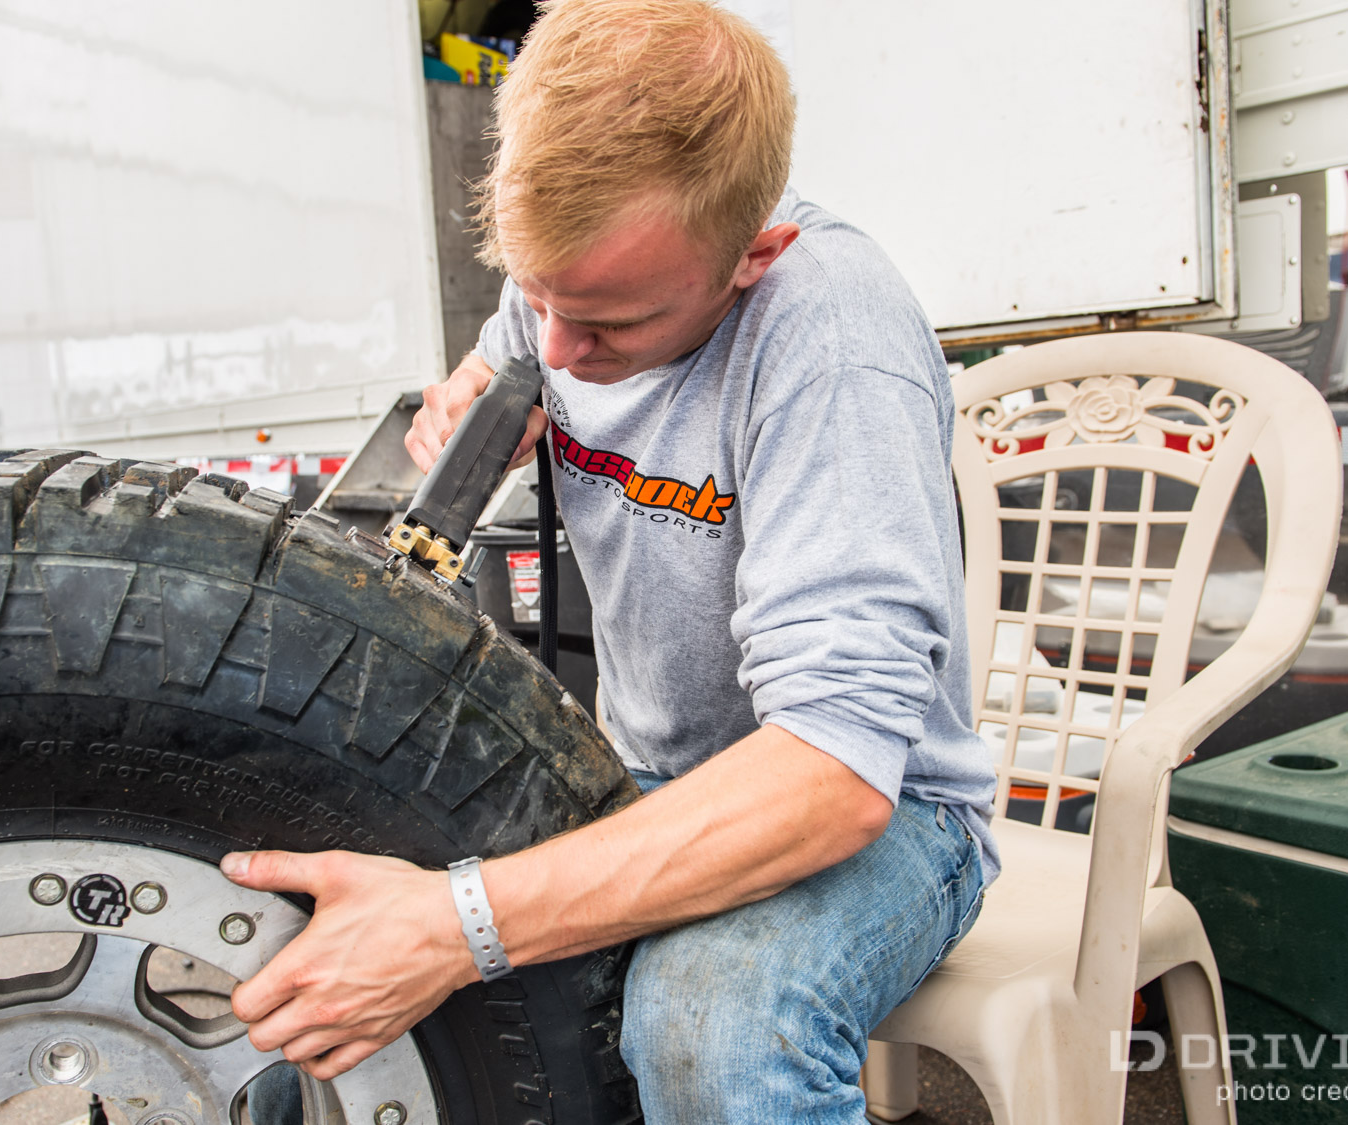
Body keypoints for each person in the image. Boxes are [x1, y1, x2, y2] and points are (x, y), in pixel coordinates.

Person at [218, 2, 997, 1120]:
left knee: (710, 1024)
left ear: (754, 256)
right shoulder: (571, 290)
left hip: (883, 806)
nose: (558, 351)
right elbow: (509, 360)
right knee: (348, 926)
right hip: (635, 770)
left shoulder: (835, 345)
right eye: (537, 298)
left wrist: (458, 926)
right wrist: (469, 409)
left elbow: (831, 778)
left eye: (609, 326)